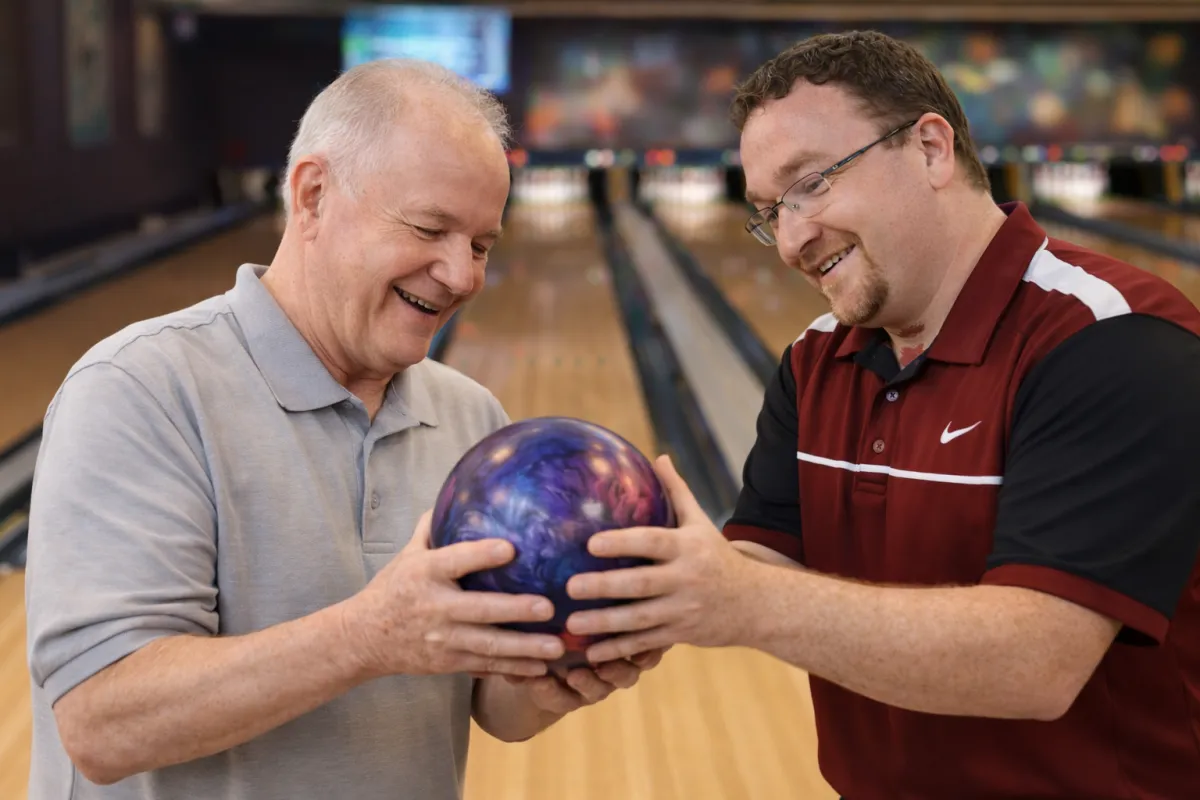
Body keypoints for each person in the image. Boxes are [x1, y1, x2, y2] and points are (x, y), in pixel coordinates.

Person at [560, 30, 1200, 798]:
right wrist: (632, 586)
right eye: (767, 211)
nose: (791, 239)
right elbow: (764, 564)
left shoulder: (1112, 337)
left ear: (931, 149)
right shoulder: (814, 361)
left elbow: (1039, 661)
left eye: (812, 184)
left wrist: (737, 599)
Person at [24, 59, 661, 800]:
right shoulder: (141, 391)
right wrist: (369, 636)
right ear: (313, 195)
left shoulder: (472, 421)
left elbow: (492, 700)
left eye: (483, 244)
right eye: (430, 228)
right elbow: (104, 725)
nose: (461, 274)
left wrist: (563, 672)